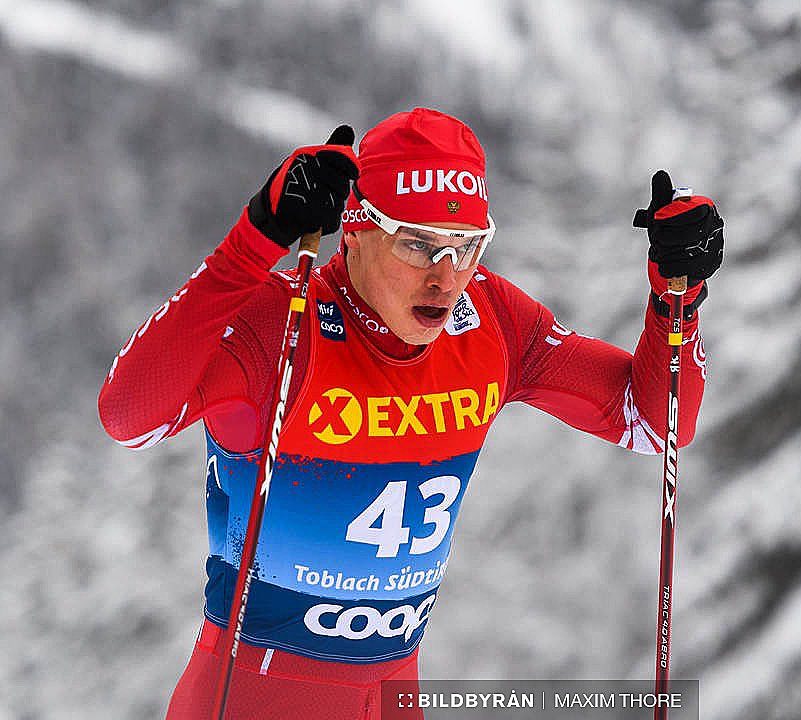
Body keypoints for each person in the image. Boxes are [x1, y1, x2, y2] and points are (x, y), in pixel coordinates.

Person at [98, 107, 724, 719]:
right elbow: (130, 417)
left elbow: (656, 424)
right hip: (252, 694)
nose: (445, 278)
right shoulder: (281, 323)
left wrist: (679, 298)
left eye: (467, 246)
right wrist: (253, 241)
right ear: (356, 227)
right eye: (419, 245)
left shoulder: (493, 321)